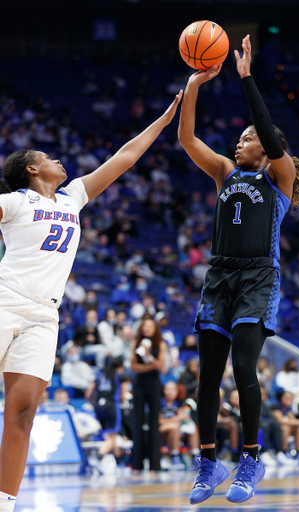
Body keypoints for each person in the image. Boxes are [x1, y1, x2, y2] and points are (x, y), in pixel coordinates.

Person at [0, 91, 182, 511]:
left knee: (24, 412)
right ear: (32, 169)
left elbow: (124, 157)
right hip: (7, 301)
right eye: (48, 157)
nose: (58, 160)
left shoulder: (73, 196)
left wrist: (163, 119)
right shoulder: (14, 201)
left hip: (45, 314)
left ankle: (6, 502)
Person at [178, 35, 299, 504]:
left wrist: (246, 78)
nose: (240, 141)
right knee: (207, 377)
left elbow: (265, 127)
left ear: (270, 146)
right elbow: (186, 138)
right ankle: (208, 462)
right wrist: (196, 83)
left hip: (259, 276)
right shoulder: (223, 172)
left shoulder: (277, 177)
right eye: (239, 137)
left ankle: (251, 460)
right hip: (219, 275)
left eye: (249, 137)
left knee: (243, 367)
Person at [130, 318, 167, 472]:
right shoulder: (135, 343)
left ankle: (154, 465)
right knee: (137, 422)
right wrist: (150, 366)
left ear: (155, 328)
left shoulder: (161, 344)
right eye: (145, 326)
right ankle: (136, 465)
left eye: (150, 326)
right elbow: (133, 367)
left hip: (154, 385)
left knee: (154, 423)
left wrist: (148, 357)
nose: (147, 328)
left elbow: (162, 367)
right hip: (139, 385)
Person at [86, 357, 129, 472]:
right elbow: (123, 396)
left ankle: (119, 463)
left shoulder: (100, 375)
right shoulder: (120, 376)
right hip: (111, 406)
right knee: (112, 436)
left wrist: (93, 403)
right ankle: (98, 457)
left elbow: (88, 393)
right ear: (120, 368)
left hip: (98, 406)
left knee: (111, 436)